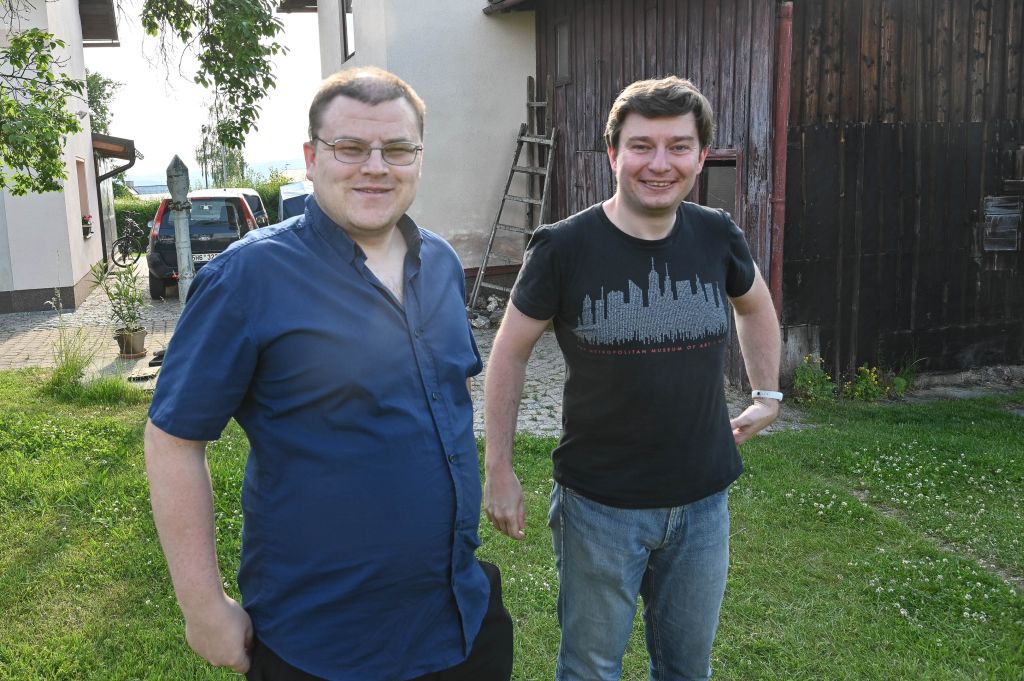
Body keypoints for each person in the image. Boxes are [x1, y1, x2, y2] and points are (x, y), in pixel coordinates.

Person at [144, 66, 512, 681]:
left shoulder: (443, 263)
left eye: (397, 149)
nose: (376, 167)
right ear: (312, 159)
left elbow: (454, 392)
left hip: (459, 621)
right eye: (351, 147)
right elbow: (173, 441)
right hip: (322, 642)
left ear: (419, 158)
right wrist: (202, 607)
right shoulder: (247, 279)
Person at [483, 76, 781, 681]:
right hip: (599, 506)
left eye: (678, 146)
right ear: (613, 154)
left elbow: (754, 306)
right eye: (642, 146)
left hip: (703, 501)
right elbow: (509, 353)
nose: (660, 164)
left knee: (686, 668)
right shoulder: (563, 247)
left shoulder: (716, 233)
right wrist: (499, 468)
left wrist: (767, 394)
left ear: (701, 156)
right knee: (591, 668)